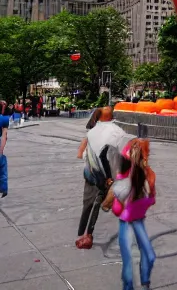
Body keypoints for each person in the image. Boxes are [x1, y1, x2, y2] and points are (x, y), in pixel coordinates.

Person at [76, 105, 131, 249]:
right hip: (110, 177)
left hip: (92, 174)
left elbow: (82, 154)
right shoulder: (118, 132)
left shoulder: (91, 132)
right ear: (112, 117)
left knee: (89, 204)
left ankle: (84, 233)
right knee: (116, 202)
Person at [105, 140, 156, 290]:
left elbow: (151, 199)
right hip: (127, 220)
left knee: (148, 256)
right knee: (129, 261)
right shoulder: (127, 176)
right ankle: (129, 287)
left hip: (137, 219)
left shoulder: (148, 174)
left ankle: (144, 283)